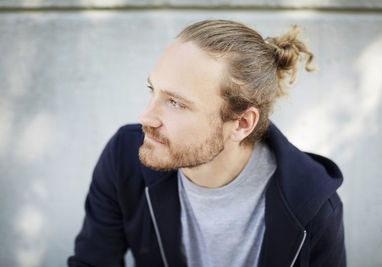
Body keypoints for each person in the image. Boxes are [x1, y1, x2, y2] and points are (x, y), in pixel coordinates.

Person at [68, 20, 346, 267]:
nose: (146, 118)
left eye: (176, 103)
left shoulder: (313, 204)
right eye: (152, 90)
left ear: (241, 124)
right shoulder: (125, 157)